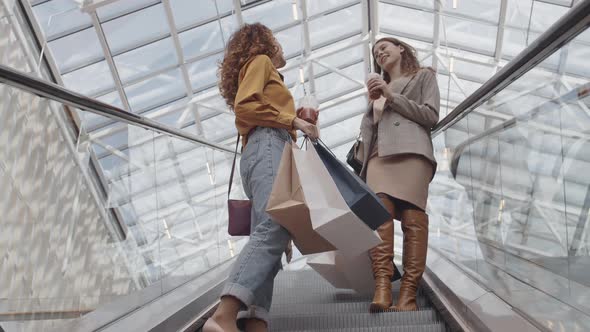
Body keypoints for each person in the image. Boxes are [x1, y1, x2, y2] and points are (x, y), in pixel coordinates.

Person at [203, 23, 319, 332]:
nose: (280, 47)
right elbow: (246, 106)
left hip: (268, 147)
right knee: (275, 224)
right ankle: (223, 316)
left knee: (272, 233)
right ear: (264, 42)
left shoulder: (262, 69)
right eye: (276, 40)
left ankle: (255, 322)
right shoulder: (261, 62)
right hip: (268, 142)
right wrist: (294, 119)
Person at [359, 37, 440, 312]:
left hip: (412, 153)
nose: (379, 52)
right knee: (378, 219)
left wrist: (391, 96)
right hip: (378, 158)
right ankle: (382, 288)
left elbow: (430, 115)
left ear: (401, 48)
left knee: (412, 221)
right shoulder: (375, 90)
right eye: (375, 52)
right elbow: (370, 131)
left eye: (384, 47)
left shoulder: (423, 76)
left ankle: (407, 296)